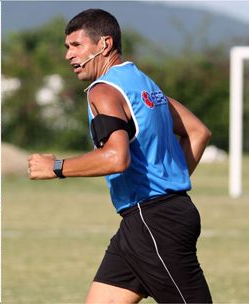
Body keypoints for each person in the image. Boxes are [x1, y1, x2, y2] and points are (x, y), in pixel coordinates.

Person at [28, 9, 212, 303]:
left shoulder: (103, 91)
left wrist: (57, 167)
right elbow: (198, 131)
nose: (68, 56)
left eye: (76, 46)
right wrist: (168, 184)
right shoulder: (144, 84)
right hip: (146, 220)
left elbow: (116, 157)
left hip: (154, 222)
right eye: (67, 47)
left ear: (104, 44)